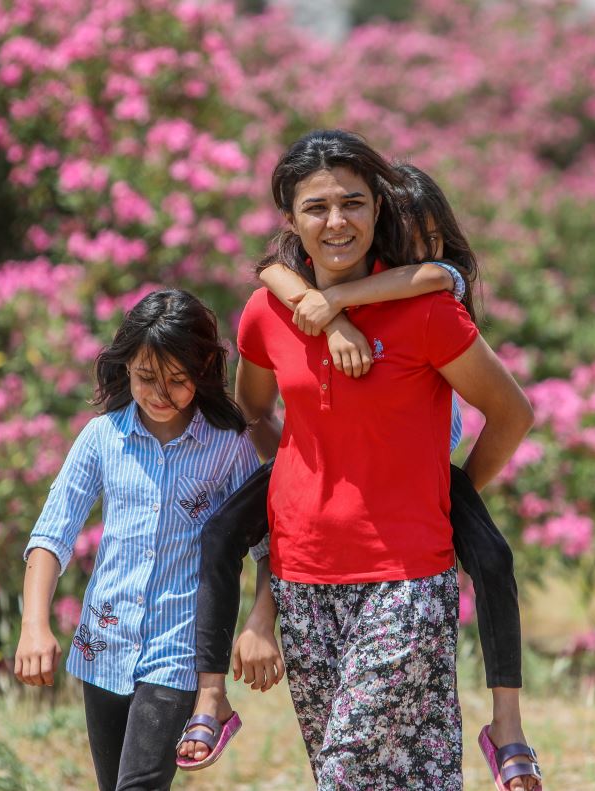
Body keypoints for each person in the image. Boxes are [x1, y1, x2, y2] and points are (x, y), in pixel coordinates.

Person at [178, 162, 543, 790]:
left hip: (406, 573)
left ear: (378, 212)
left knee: (344, 770)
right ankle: (212, 696)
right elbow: (256, 410)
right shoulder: (268, 309)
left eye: (354, 204)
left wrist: (450, 490)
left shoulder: (431, 309)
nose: (337, 220)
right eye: (316, 208)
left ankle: (508, 721)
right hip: (305, 576)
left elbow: (512, 412)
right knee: (403, 773)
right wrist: (295, 476)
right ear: (291, 218)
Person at [12, 289, 271, 791]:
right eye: (146, 377)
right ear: (125, 366)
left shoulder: (229, 447)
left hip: (179, 651)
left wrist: (260, 623)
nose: (159, 394)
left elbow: (268, 550)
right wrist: (33, 625)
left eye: (178, 381)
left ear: (203, 372)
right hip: (102, 648)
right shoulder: (101, 437)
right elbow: (52, 533)